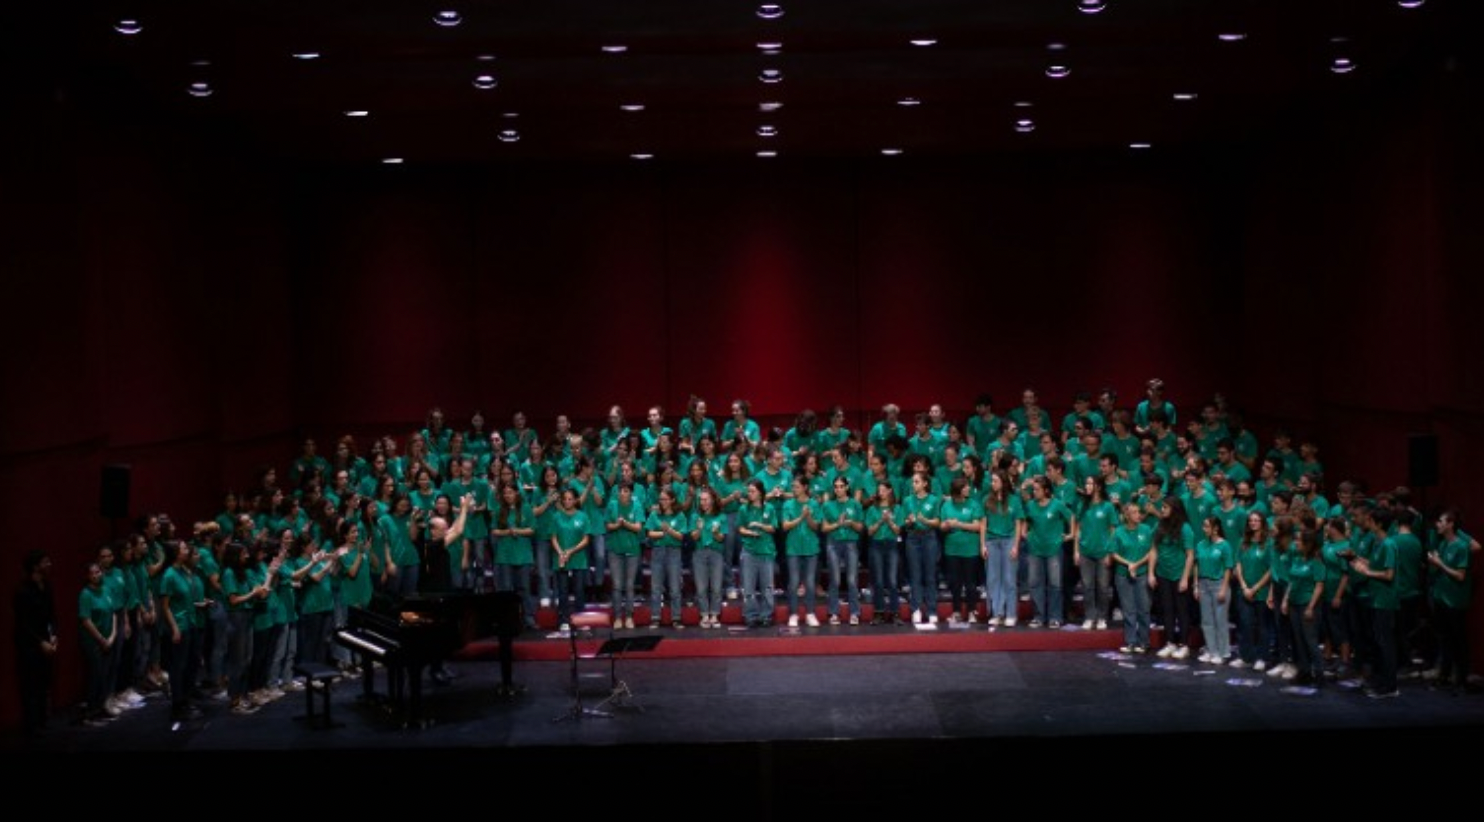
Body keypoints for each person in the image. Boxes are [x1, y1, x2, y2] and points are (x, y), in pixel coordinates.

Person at [1427, 509, 1475, 694]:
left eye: (1440, 521)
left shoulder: (1461, 546)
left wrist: (1439, 564)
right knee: (1444, 640)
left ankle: (1462, 681)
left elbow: (1460, 576)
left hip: (1455, 601)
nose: (1437, 524)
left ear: (1450, 524)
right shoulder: (1443, 544)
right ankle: (1444, 677)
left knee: (1458, 641)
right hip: (1441, 598)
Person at [159, 540, 207, 722]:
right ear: (176, 553)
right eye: (184, 548)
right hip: (180, 626)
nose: (187, 550)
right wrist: (174, 628)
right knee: (178, 667)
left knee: (191, 664)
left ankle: (186, 700)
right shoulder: (169, 575)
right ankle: (178, 705)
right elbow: (165, 606)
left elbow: (186, 599)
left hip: (192, 622)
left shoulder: (183, 572)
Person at [14, 549, 57, 734]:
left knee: (44, 683)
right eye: (45, 562)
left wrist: (54, 634)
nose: (49, 564)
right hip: (30, 646)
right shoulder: (23, 591)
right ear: (35, 566)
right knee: (31, 685)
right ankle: (31, 725)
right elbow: (22, 623)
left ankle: (42, 720)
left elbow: (51, 615)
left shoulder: (46, 586)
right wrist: (41, 642)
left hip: (46, 642)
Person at [1023, 475, 1073, 629]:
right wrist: (1026, 534)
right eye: (1033, 489)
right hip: (1035, 549)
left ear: (1046, 491)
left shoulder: (1057, 504)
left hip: (1054, 549)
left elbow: (1071, 517)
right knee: (1035, 584)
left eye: (1037, 490)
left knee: (1055, 584)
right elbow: (1025, 520)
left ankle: (1055, 617)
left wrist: (1071, 534)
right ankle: (1039, 617)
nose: (1034, 492)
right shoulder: (1030, 505)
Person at [1149, 499, 1195, 659]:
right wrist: (1150, 573)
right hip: (1163, 573)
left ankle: (1184, 644)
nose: (1162, 510)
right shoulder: (1159, 525)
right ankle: (1170, 642)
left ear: (1175, 509)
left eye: (1165, 507)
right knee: (1167, 609)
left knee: (1182, 610)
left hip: (1179, 573)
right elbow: (1153, 550)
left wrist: (1184, 578)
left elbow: (1190, 555)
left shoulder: (1185, 528)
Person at [1282, 527, 1328, 686]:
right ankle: (1305, 671)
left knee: (1310, 640)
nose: (1296, 543)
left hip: (1308, 604)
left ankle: (1320, 673)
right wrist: (1285, 600)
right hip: (1294, 603)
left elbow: (1319, 585)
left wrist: (1310, 607)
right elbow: (1292, 581)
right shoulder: (1297, 558)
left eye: (1298, 540)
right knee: (1299, 639)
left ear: (1308, 544)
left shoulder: (1316, 561)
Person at [492, 482, 539, 631]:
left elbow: (532, 529)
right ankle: (509, 621)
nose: (508, 496)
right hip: (505, 554)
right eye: (505, 493)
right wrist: (508, 532)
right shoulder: (499, 510)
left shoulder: (526, 508)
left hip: (523, 554)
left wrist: (516, 531)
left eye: (510, 492)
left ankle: (528, 619)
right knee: (506, 589)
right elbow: (494, 531)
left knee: (524, 588)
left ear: (516, 494)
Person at [1073, 475, 1116, 631]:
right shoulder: (1082, 506)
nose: (1087, 486)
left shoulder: (1108, 507)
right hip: (1085, 552)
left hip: (1103, 552)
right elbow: (1078, 530)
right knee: (1087, 586)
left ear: (1098, 486)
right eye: (1086, 483)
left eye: (1090, 483)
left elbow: (1112, 530)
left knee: (1103, 587)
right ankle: (1090, 616)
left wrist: (1110, 553)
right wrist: (1076, 551)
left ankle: (1102, 617)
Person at [940, 476, 985, 625]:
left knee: (970, 582)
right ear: (958, 490)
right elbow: (942, 526)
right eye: (965, 487)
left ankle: (972, 611)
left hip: (970, 548)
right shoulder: (947, 505)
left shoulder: (974, 504)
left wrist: (958, 524)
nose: (968, 489)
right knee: (955, 582)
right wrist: (946, 525)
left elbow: (977, 526)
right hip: (952, 548)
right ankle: (957, 611)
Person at [1232, 512, 1273, 671]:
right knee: (1245, 624)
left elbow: (1271, 569)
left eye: (1257, 520)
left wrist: (1255, 588)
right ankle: (1245, 656)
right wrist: (1243, 586)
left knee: (1263, 626)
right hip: (1244, 590)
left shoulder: (1269, 544)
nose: (1253, 523)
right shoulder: (1243, 542)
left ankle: (1262, 657)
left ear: (1263, 523)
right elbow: (1238, 564)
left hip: (1261, 591)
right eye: (1251, 521)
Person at [1111, 502, 1154, 653]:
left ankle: (1144, 642)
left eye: (1138, 512)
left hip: (1141, 572)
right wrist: (1129, 564)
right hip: (1123, 574)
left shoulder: (1146, 529)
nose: (1138, 515)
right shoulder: (1118, 532)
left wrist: (1136, 565)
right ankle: (1131, 641)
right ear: (1127, 516)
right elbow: (1114, 553)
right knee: (1128, 609)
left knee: (1143, 608)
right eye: (1134, 513)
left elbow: (1152, 551)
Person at [781, 476, 822, 628]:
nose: (794, 489)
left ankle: (810, 613)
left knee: (810, 583)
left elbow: (816, 526)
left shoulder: (814, 504)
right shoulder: (788, 504)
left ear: (805, 487)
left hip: (811, 548)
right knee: (793, 582)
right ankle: (793, 614)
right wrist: (801, 517)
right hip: (793, 548)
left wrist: (809, 516)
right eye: (793, 486)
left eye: (797, 486)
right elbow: (785, 526)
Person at [902, 470, 942, 625]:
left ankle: (932, 610)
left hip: (929, 536)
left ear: (925, 483)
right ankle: (916, 608)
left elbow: (937, 522)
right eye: (913, 481)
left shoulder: (934, 499)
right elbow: (905, 522)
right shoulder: (907, 501)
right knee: (915, 575)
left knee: (930, 575)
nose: (914, 484)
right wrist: (909, 521)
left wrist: (924, 519)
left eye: (917, 481)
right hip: (912, 537)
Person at [1192, 516, 1234, 665]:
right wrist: (1195, 585)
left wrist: (1224, 588)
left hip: (1218, 584)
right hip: (1204, 584)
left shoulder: (1224, 545)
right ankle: (1211, 650)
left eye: (1207, 526)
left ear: (1215, 528)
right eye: (1203, 526)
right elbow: (1196, 565)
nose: (1204, 529)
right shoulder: (1201, 544)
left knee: (1220, 620)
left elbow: (1229, 567)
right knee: (1206, 620)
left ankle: (1222, 652)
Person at [646, 487, 689, 628]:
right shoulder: (654, 515)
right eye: (660, 499)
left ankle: (676, 618)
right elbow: (650, 533)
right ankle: (655, 617)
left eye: (665, 499)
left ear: (672, 500)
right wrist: (663, 534)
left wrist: (668, 530)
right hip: (658, 551)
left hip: (674, 552)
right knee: (656, 587)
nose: (662, 502)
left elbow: (682, 536)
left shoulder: (680, 516)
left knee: (675, 587)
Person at [737, 480, 779, 627]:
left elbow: (774, 528)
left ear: (760, 492)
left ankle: (766, 615)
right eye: (748, 491)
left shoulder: (770, 508)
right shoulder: (744, 509)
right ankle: (750, 615)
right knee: (748, 587)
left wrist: (760, 525)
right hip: (749, 550)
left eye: (752, 491)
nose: (750, 494)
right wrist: (749, 532)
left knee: (767, 587)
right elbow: (740, 528)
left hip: (766, 551)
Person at [550, 487, 591, 631]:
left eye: (570, 499)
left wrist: (571, 551)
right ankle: (563, 620)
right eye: (565, 499)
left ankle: (580, 620)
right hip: (561, 559)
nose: (567, 501)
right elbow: (553, 538)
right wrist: (561, 553)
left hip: (578, 559)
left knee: (579, 590)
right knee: (563, 591)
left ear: (575, 500)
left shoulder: (583, 516)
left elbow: (586, 539)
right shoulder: (556, 516)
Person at [690, 487, 729, 628]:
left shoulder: (721, 517)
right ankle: (704, 614)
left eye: (706, 499)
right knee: (701, 587)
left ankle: (714, 615)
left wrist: (716, 532)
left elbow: (721, 538)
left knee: (716, 586)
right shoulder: (695, 516)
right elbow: (693, 537)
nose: (703, 502)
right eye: (701, 500)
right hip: (699, 553)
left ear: (712, 500)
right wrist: (699, 529)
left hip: (716, 553)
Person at [865, 482, 903, 625]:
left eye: (883, 490)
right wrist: (881, 520)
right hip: (876, 545)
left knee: (893, 581)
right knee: (879, 581)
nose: (880, 492)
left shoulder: (897, 508)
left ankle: (895, 613)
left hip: (891, 544)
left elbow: (898, 531)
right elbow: (869, 531)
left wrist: (890, 521)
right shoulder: (872, 509)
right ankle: (879, 613)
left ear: (889, 491)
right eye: (878, 490)